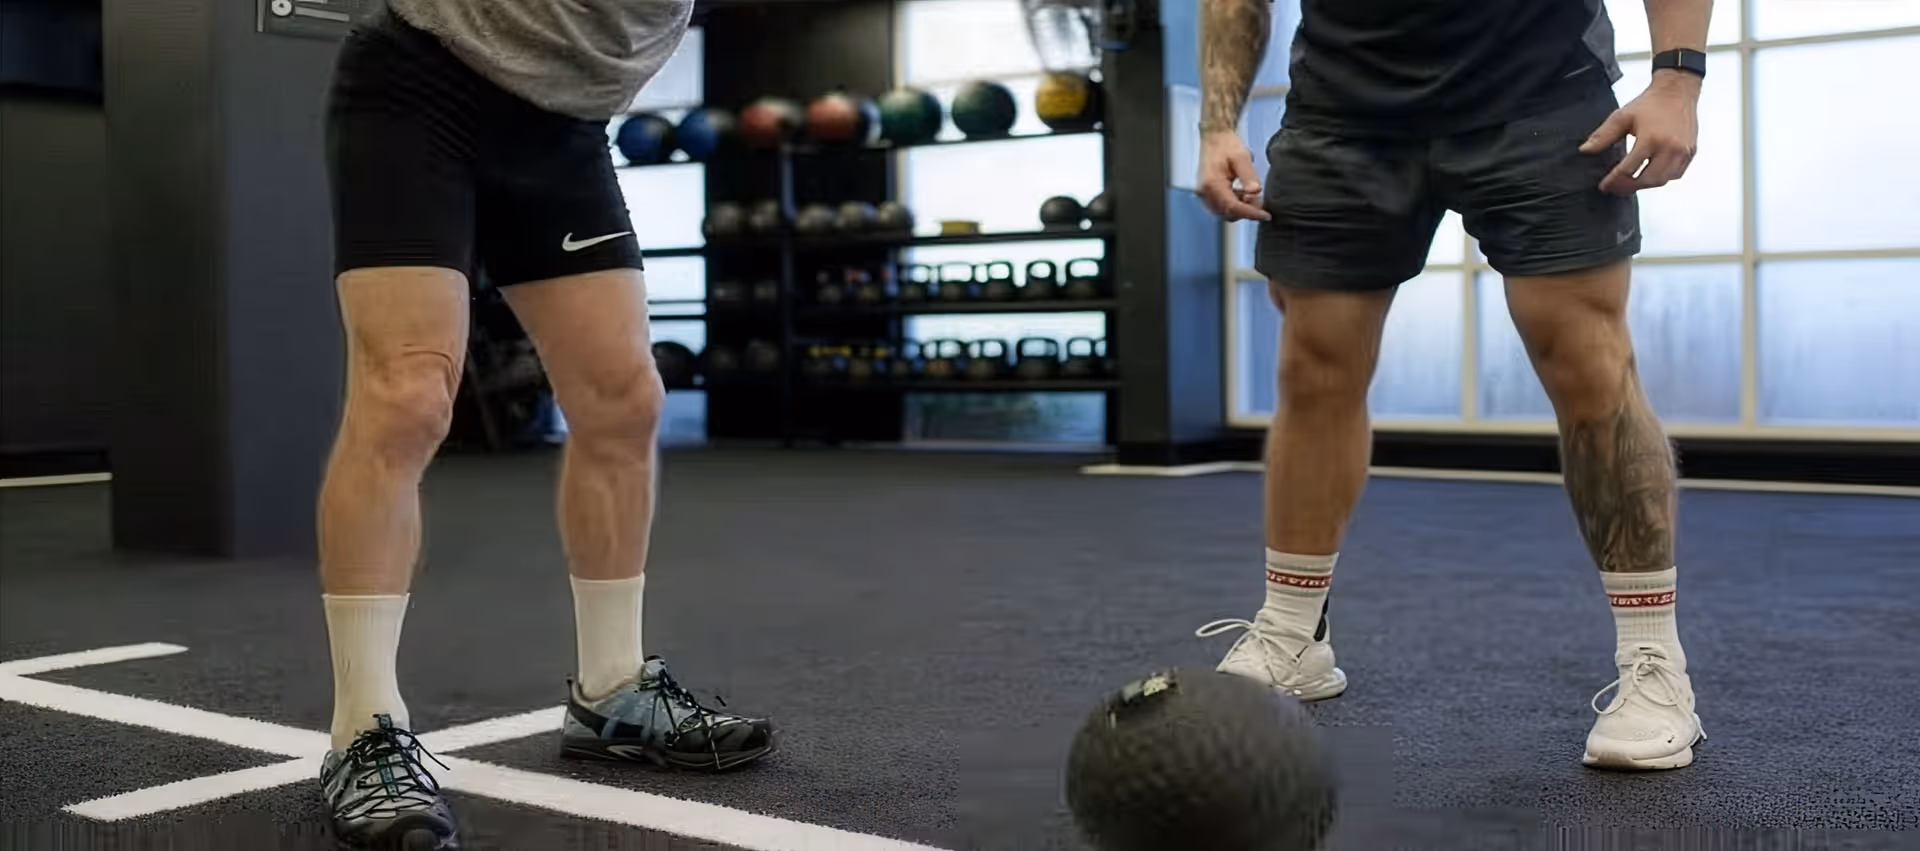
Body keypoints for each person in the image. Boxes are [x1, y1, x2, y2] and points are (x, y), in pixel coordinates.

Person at [1192, 0, 1708, 771]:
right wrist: (1217, 123)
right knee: (1313, 367)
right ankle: (1293, 631)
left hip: (1539, 95)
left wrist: (1678, 79)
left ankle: (1654, 661)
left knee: (1587, 361)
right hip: (1342, 112)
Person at [317, 1, 773, 846]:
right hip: (422, 86)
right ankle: (363, 730)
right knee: (407, 394)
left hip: (564, 124)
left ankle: (612, 691)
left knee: (623, 397)